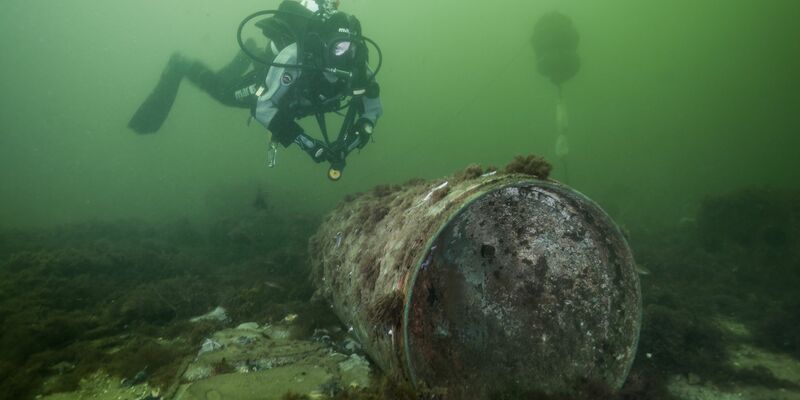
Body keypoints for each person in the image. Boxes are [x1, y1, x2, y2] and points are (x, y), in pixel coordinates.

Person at [128, 0, 383, 180]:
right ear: (323, 46)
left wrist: (351, 142)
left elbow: (373, 109)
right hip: (273, 85)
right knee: (225, 94)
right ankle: (181, 64)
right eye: (338, 48)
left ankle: (246, 55)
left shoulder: (358, 66)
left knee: (229, 87)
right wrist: (307, 144)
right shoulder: (295, 58)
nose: (345, 56)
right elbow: (263, 107)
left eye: (352, 49)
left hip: (299, 102)